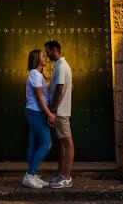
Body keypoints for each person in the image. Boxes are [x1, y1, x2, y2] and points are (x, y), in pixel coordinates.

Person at [22, 49, 55, 189]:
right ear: (37, 59)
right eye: (43, 56)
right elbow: (39, 98)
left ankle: (33, 174)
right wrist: (49, 114)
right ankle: (29, 175)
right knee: (47, 144)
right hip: (35, 113)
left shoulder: (37, 74)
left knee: (33, 143)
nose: (45, 58)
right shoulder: (35, 74)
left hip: (36, 112)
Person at [45, 39, 74, 189]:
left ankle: (67, 178)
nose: (47, 54)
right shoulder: (59, 65)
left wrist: (53, 110)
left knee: (68, 144)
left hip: (60, 111)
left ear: (55, 50)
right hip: (60, 110)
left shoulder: (62, 66)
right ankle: (62, 174)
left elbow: (59, 89)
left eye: (48, 51)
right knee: (62, 144)